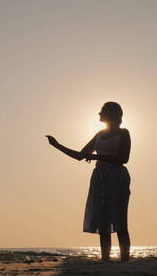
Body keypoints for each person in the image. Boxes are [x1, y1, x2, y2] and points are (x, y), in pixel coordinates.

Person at [45, 102, 131, 261]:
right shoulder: (99, 134)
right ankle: (105, 258)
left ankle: (125, 259)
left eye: (102, 111)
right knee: (103, 220)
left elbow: (123, 158)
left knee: (119, 219)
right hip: (100, 178)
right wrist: (57, 145)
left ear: (111, 114)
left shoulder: (123, 133)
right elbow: (80, 155)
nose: (99, 114)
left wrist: (96, 157)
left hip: (117, 177)